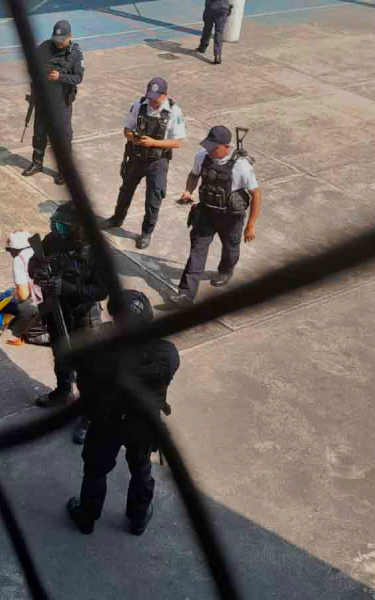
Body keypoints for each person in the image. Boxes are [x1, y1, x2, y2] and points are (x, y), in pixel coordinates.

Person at [66, 291, 181, 536]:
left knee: (96, 469)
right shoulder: (166, 352)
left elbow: (85, 386)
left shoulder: (101, 353)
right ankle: (138, 518)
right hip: (144, 421)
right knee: (140, 468)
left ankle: (87, 517)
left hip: (108, 420)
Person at [28, 201, 108, 444]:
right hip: (56, 309)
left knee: (87, 369)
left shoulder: (96, 251)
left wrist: (69, 288)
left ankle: (88, 414)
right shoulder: (53, 240)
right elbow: (34, 263)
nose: (57, 226)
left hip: (83, 315)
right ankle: (63, 392)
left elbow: (101, 290)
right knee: (61, 356)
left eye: (65, 223)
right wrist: (38, 272)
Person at [170, 126, 262, 306]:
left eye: (214, 147)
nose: (209, 150)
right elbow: (194, 175)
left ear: (226, 146)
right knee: (197, 251)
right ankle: (185, 294)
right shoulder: (202, 156)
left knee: (230, 248)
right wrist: (188, 191)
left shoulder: (241, 166)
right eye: (208, 145)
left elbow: (256, 194)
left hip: (230, 217)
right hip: (205, 212)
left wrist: (250, 224)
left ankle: (226, 270)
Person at [101, 77, 186, 250]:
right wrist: (134, 138)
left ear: (165, 95)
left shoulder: (174, 112)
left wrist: (153, 143)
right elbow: (127, 130)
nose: (153, 101)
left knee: (153, 198)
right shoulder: (139, 105)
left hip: (158, 161)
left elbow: (177, 142)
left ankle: (146, 232)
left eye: (156, 98)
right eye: (150, 97)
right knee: (126, 190)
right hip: (137, 156)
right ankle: (117, 218)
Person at [21, 20, 84, 186]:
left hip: (61, 103)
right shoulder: (45, 47)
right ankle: (37, 163)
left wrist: (60, 77)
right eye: (56, 38)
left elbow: (78, 78)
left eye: (61, 39)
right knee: (39, 132)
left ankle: (64, 171)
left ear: (70, 37)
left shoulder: (75, 54)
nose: (58, 42)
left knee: (63, 137)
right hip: (43, 100)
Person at [3, 230, 43, 344]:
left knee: (30, 335)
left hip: (52, 303)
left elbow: (23, 295)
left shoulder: (18, 260)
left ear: (14, 250)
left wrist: (14, 296)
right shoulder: (39, 250)